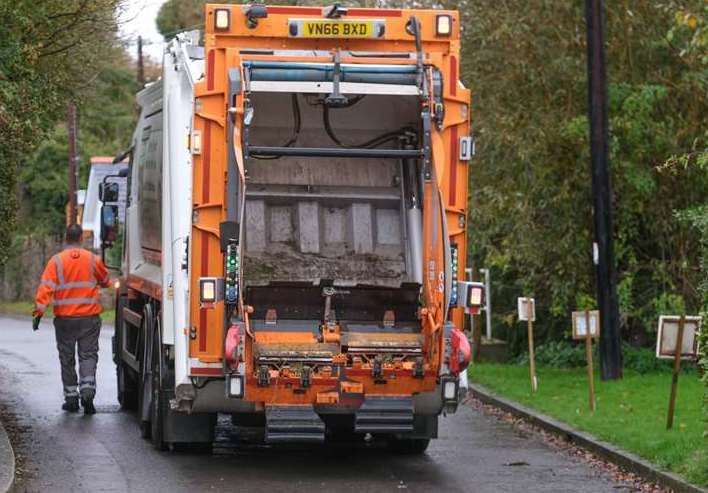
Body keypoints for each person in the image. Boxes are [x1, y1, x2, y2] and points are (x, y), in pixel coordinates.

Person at [33, 224, 111, 415]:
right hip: (89, 318)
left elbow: (46, 289)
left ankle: (71, 398)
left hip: (65, 320)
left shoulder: (56, 261)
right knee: (88, 355)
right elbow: (106, 280)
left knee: (67, 358)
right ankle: (87, 391)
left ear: (65, 239)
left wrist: (38, 313)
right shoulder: (93, 259)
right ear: (80, 239)